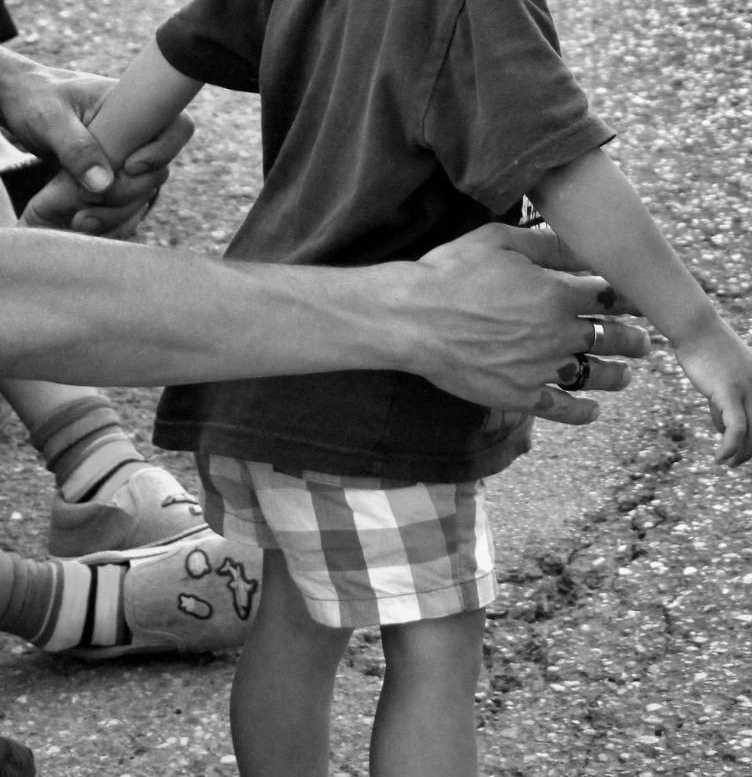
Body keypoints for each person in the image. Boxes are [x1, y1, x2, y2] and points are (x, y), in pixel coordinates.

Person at [34, 0, 752, 777]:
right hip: (375, 391)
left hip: (255, 377)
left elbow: (178, 53)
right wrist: (701, 331)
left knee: (299, 617)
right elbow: (562, 163)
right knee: (436, 642)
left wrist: (82, 182)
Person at [1, 46, 644, 663]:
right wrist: (417, 315)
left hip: (272, 415)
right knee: (433, 653)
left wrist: (9, 79)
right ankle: (40, 597)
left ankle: (101, 478)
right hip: (371, 425)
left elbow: (188, 46)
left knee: (300, 632)